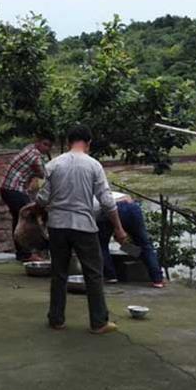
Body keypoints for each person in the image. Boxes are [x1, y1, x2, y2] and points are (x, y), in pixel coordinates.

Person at [36, 124, 127, 334]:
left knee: (59, 273)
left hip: (57, 226)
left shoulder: (54, 164)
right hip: (84, 226)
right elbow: (106, 201)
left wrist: (40, 212)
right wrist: (119, 229)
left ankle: (56, 319)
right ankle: (98, 322)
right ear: (89, 143)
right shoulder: (93, 165)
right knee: (93, 274)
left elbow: (42, 198)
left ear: (68, 142)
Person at [0, 133, 54, 261]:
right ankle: (28, 253)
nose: (46, 148)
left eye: (49, 146)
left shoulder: (29, 149)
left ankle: (22, 253)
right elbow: (44, 173)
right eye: (45, 144)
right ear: (38, 142)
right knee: (29, 217)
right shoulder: (34, 155)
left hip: (8, 189)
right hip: (13, 189)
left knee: (18, 219)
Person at [96, 194, 166, 288]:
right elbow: (127, 198)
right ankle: (158, 280)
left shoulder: (85, 203)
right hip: (130, 207)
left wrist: (118, 228)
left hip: (108, 211)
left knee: (102, 245)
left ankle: (110, 276)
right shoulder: (105, 192)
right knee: (145, 245)